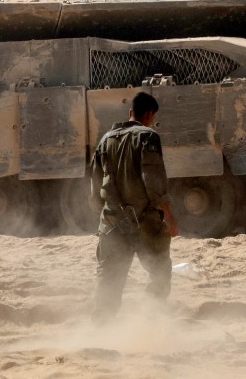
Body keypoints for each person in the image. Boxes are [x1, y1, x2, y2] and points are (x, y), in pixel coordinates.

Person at [90, 92, 179, 321]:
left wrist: (105, 214)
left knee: (109, 279)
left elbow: (95, 187)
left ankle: (100, 328)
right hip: (144, 222)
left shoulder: (105, 140)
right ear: (150, 114)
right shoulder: (148, 137)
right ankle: (149, 321)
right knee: (159, 272)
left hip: (112, 221)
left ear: (130, 112)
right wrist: (168, 215)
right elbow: (154, 182)